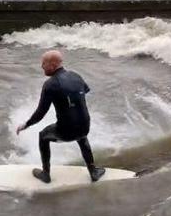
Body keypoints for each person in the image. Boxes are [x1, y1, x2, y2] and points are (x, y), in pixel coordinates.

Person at [14, 49, 105, 184]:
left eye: (43, 63)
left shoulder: (50, 84)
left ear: (52, 64)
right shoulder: (76, 76)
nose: (41, 66)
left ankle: (46, 174)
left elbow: (41, 113)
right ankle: (93, 171)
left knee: (43, 136)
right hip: (85, 127)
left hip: (66, 132)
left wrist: (26, 125)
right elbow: (83, 92)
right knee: (81, 133)